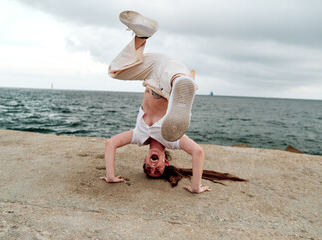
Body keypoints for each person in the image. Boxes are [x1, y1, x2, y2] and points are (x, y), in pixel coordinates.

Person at [100, 11, 246, 193]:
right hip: (170, 75)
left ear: (145, 160)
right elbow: (197, 152)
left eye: (148, 169)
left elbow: (110, 144)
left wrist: (111, 176)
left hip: (153, 70)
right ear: (165, 162)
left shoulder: (138, 136)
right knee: (172, 85)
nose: (152, 167)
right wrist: (196, 187)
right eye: (158, 170)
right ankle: (181, 83)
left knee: (115, 71)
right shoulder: (172, 138)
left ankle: (142, 34)